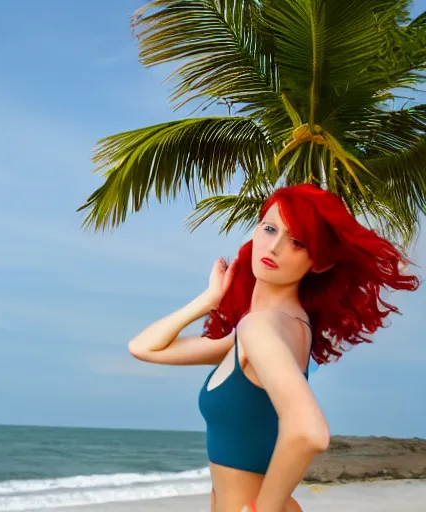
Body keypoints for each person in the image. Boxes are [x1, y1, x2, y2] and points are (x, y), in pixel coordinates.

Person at [127, 184, 420, 512]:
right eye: (269, 229)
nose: (275, 246)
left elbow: (310, 432)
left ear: (319, 264)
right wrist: (208, 301)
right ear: (255, 230)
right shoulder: (268, 327)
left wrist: (265, 508)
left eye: (297, 242)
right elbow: (144, 348)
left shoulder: (262, 328)